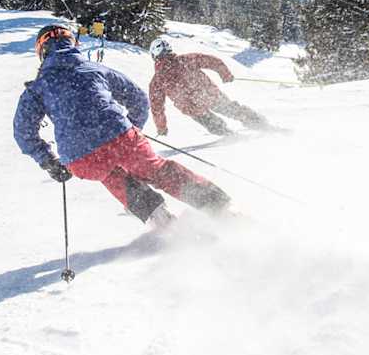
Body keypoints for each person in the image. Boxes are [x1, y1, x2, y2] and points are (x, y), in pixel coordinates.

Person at [14, 24, 232, 227]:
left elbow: (23, 132)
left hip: (78, 156)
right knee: (157, 170)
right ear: (73, 44)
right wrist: (132, 127)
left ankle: (160, 219)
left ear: (42, 51)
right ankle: (220, 209)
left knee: (111, 176)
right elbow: (138, 98)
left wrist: (49, 162)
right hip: (121, 137)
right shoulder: (95, 69)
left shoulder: (38, 87)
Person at [148, 39, 270, 137]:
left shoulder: (157, 81)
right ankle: (259, 123)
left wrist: (161, 128)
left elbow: (157, 108)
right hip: (209, 96)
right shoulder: (186, 60)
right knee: (234, 110)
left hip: (193, 108)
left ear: (154, 55)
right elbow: (212, 61)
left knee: (215, 125)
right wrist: (225, 74)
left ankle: (230, 136)